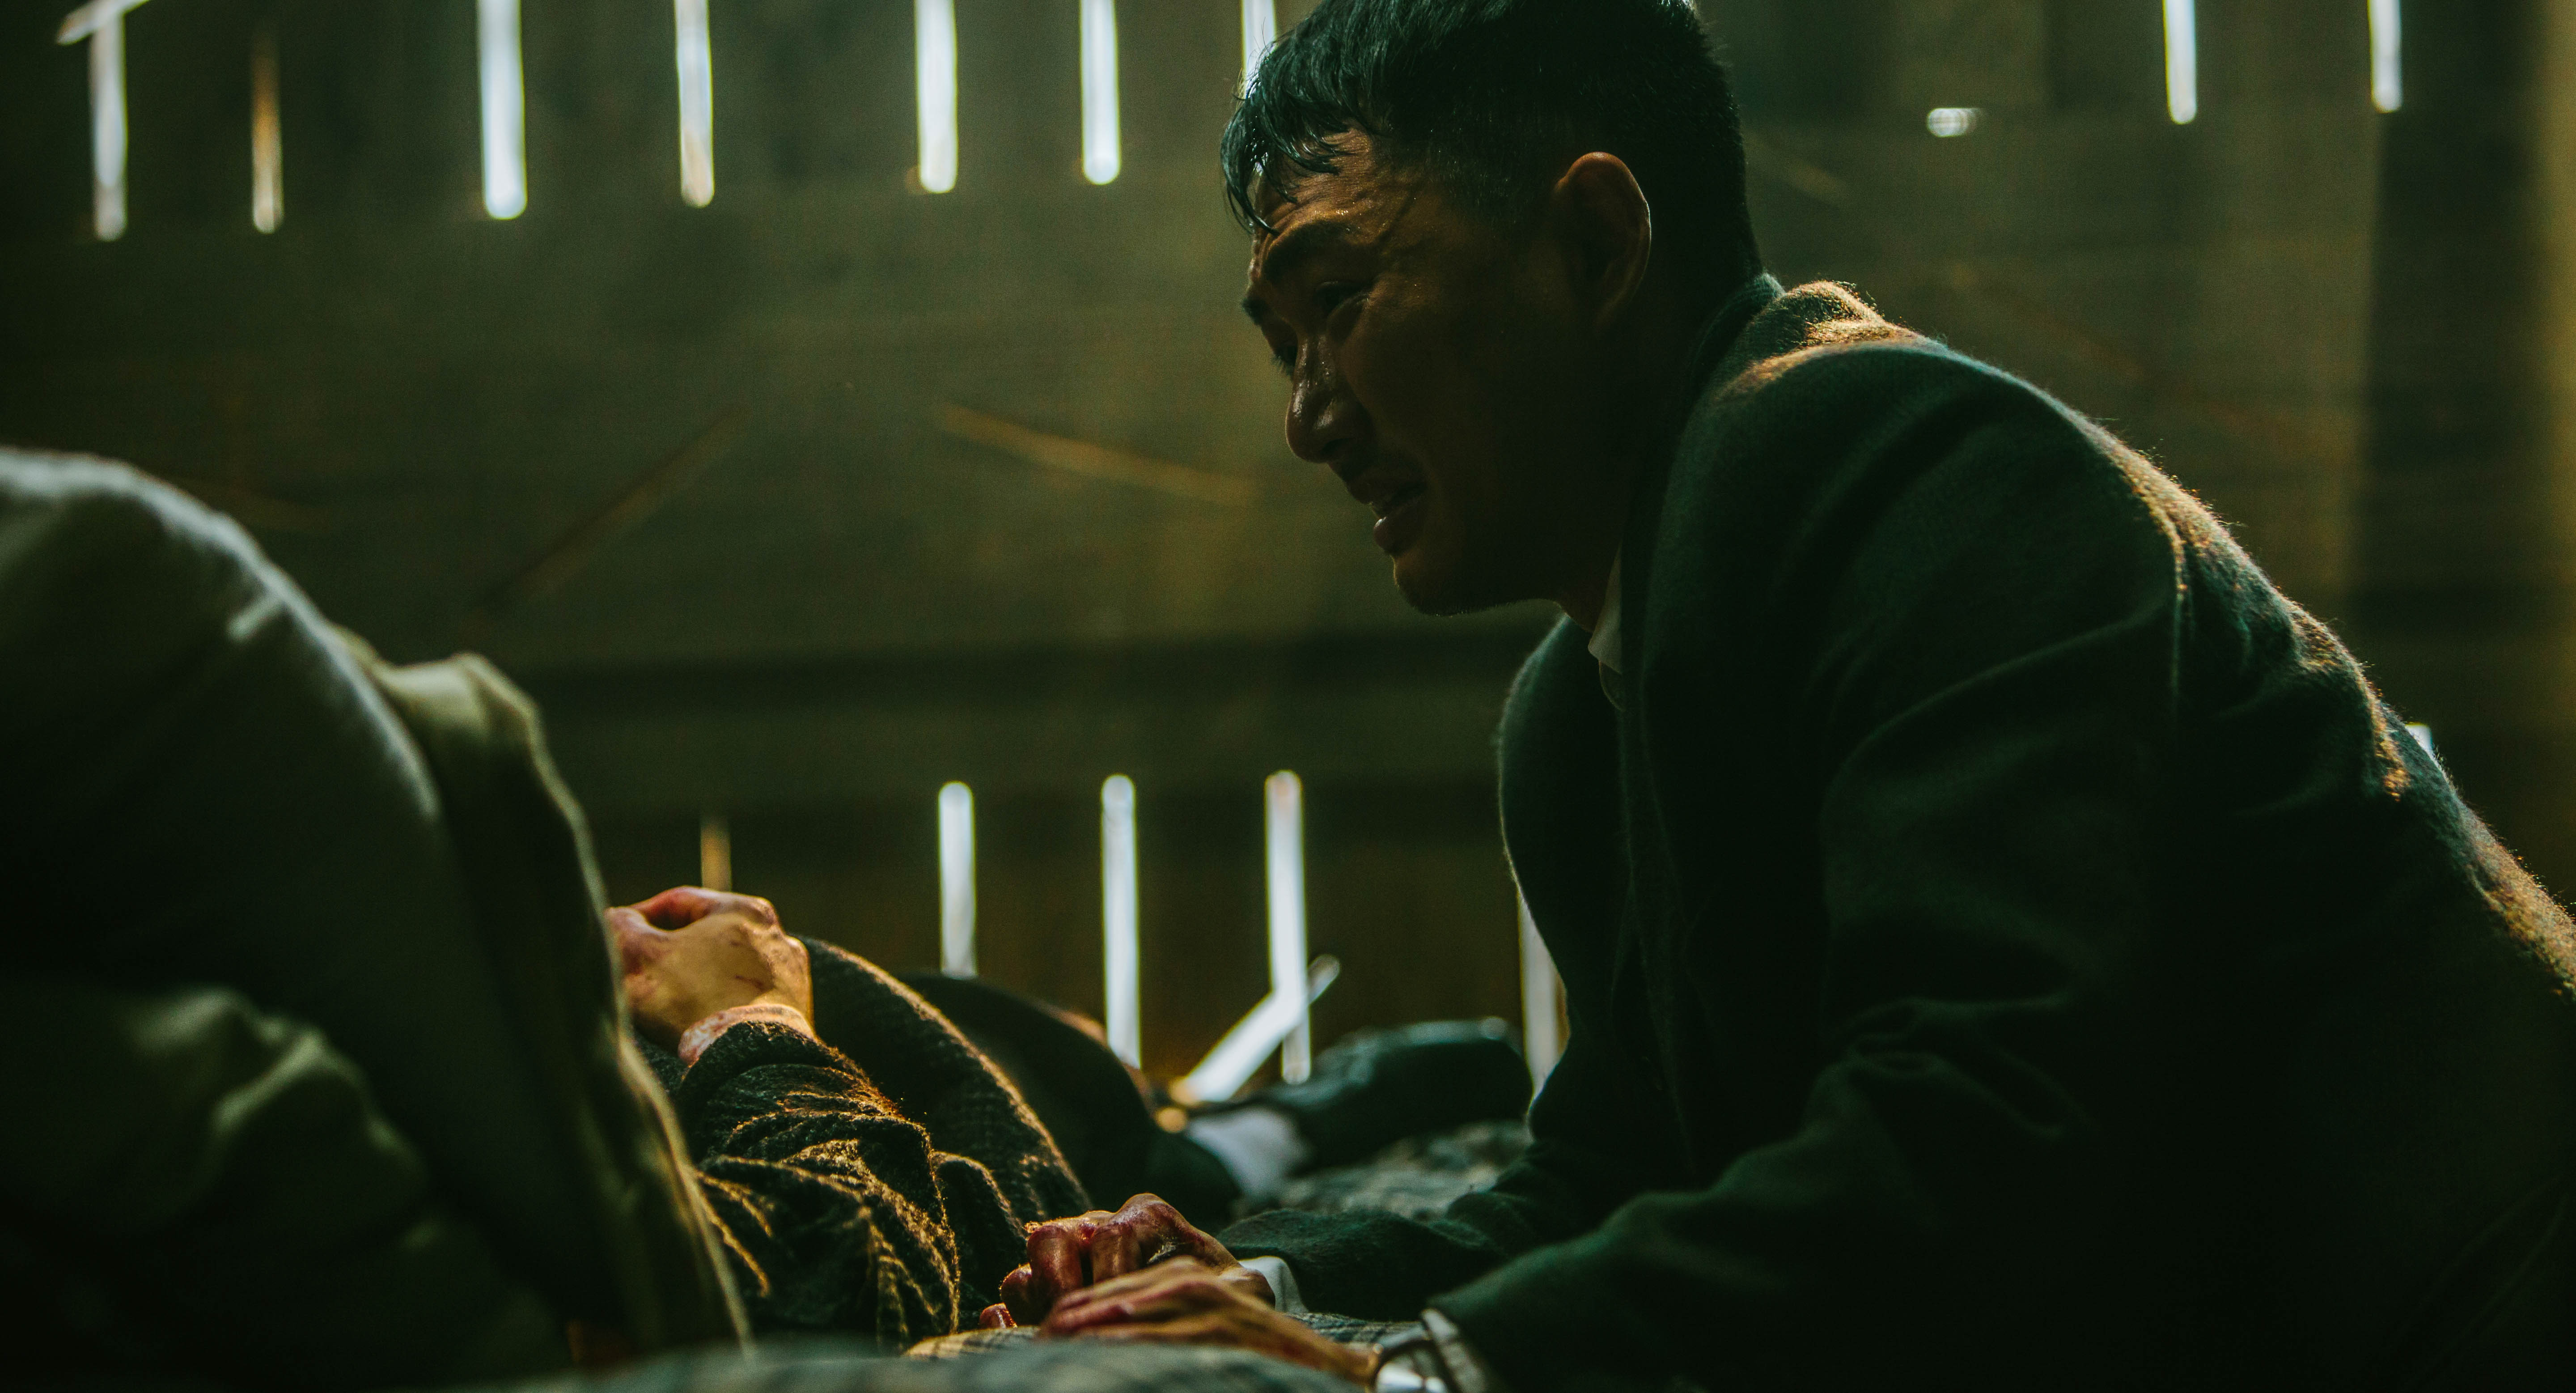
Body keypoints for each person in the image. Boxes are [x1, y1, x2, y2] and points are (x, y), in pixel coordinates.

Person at [986, 1, 2576, 1388]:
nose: (1309, 418)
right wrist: (1270, 1284)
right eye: (1283, 344)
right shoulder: (1578, 717)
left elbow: (1987, 1121)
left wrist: (1415, 1373)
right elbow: (1621, 1181)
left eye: (1339, 302)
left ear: (1596, 243)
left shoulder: (1901, 467)